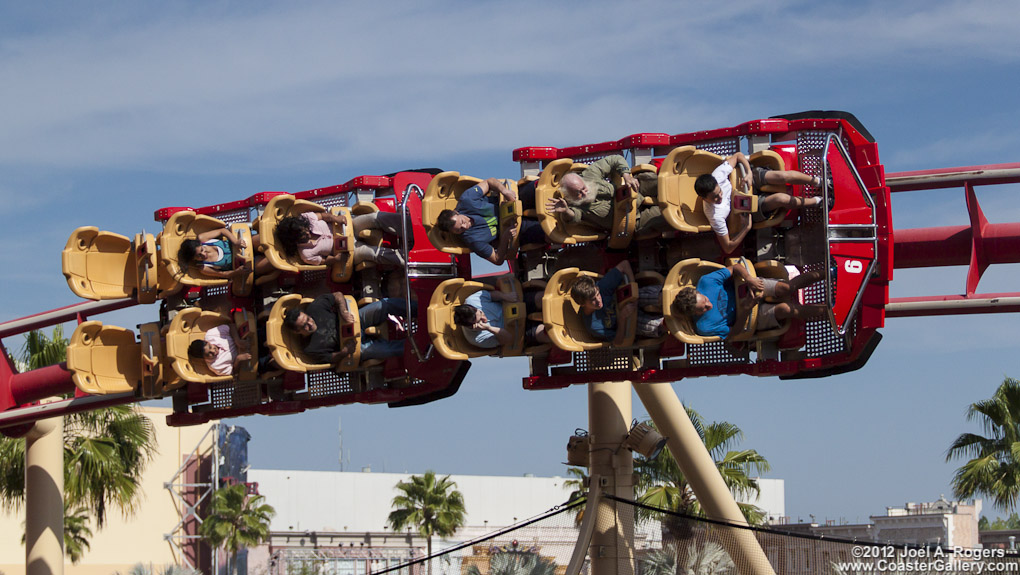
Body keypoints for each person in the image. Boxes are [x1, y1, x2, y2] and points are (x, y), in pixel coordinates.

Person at [693, 152, 824, 253]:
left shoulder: (718, 175)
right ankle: (816, 201)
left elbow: (738, 156)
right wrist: (746, 228)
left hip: (749, 182)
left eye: (719, 192)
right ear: (704, 199)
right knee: (781, 199)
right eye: (714, 198)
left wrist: (749, 173)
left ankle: (818, 181)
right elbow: (728, 247)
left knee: (783, 176)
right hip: (749, 207)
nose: (720, 197)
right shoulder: (715, 216)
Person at [673, 263, 828, 342]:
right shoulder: (704, 327)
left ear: (699, 292)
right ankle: (830, 310)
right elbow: (734, 332)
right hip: (749, 315)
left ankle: (829, 272)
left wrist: (749, 279)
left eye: (706, 300)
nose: (709, 305)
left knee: (786, 288)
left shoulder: (706, 282)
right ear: (695, 313)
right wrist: (747, 308)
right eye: (704, 309)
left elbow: (735, 268)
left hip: (748, 288)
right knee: (786, 309)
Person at [544, 155, 666, 234]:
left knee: (656, 180)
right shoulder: (575, 206)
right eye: (578, 193)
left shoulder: (589, 175)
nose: (584, 192)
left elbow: (614, 159)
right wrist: (565, 211)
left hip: (636, 189)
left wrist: (626, 175)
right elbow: (574, 217)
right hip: (631, 218)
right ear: (570, 196)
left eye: (583, 188)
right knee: (665, 216)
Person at [435, 178, 545, 265]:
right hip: (517, 228)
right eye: (459, 230)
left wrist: (504, 191)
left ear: (457, 212)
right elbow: (497, 259)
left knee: (539, 187)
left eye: (462, 222)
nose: (465, 227)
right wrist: (505, 238)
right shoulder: (473, 240)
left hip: (512, 201)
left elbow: (489, 182)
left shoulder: (467, 200)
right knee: (545, 231)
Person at [283, 292, 412, 365]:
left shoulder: (314, 308)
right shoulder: (310, 348)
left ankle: (419, 309)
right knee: (386, 351)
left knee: (384, 304)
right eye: (304, 326)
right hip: (354, 345)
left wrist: (343, 311)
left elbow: (338, 295)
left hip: (355, 320)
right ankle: (417, 346)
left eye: (308, 319)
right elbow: (330, 358)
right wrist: (344, 351)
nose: (310, 324)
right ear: (297, 331)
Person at [275, 210, 410, 268]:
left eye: (306, 230)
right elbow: (323, 261)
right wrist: (337, 259)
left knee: (375, 217)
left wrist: (335, 218)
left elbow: (323, 216)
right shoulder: (306, 254)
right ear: (294, 240)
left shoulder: (306, 218)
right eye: (303, 236)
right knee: (371, 253)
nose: (307, 233)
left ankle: (412, 227)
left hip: (349, 227)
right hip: (349, 250)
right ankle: (410, 259)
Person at [568, 259, 650, 346]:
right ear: (583, 304)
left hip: (632, 300)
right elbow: (617, 342)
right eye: (593, 300)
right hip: (631, 322)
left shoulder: (602, 287)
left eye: (598, 294)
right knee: (657, 325)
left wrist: (633, 290)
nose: (599, 300)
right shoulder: (594, 325)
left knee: (656, 296)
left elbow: (624, 265)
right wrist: (622, 318)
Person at [452, 287, 548, 349]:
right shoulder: (476, 339)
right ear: (472, 326)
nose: (484, 318)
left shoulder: (472, 300)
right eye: (480, 320)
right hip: (519, 330)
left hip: (514, 305)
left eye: (481, 312)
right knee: (546, 333)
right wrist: (488, 328)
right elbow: (507, 339)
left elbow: (491, 295)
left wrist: (505, 296)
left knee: (543, 298)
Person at [177, 226, 272, 279]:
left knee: (264, 239)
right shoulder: (203, 267)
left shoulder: (203, 238)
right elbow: (223, 274)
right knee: (271, 261)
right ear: (194, 259)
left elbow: (222, 231)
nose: (204, 254)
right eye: (199, 256)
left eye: (202, 250)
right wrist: (237, 271)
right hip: (245, 263)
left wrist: (235, 242)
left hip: (246, 245)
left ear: (200, 244)